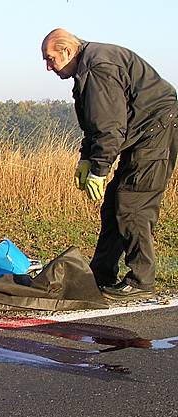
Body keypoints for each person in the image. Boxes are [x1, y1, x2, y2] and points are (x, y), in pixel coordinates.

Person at [41, 28, 177, 300]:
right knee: (114, 202)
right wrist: (86, 157)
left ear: (67, 51)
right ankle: (101, 273)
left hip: (157, 131)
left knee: (132, 203)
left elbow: (109, 128)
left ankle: (141, 280)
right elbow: (95, 124)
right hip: (141, 133)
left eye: (50, 58)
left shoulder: (98, 68)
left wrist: (99, 170)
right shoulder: (89, 65)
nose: (48, 67)